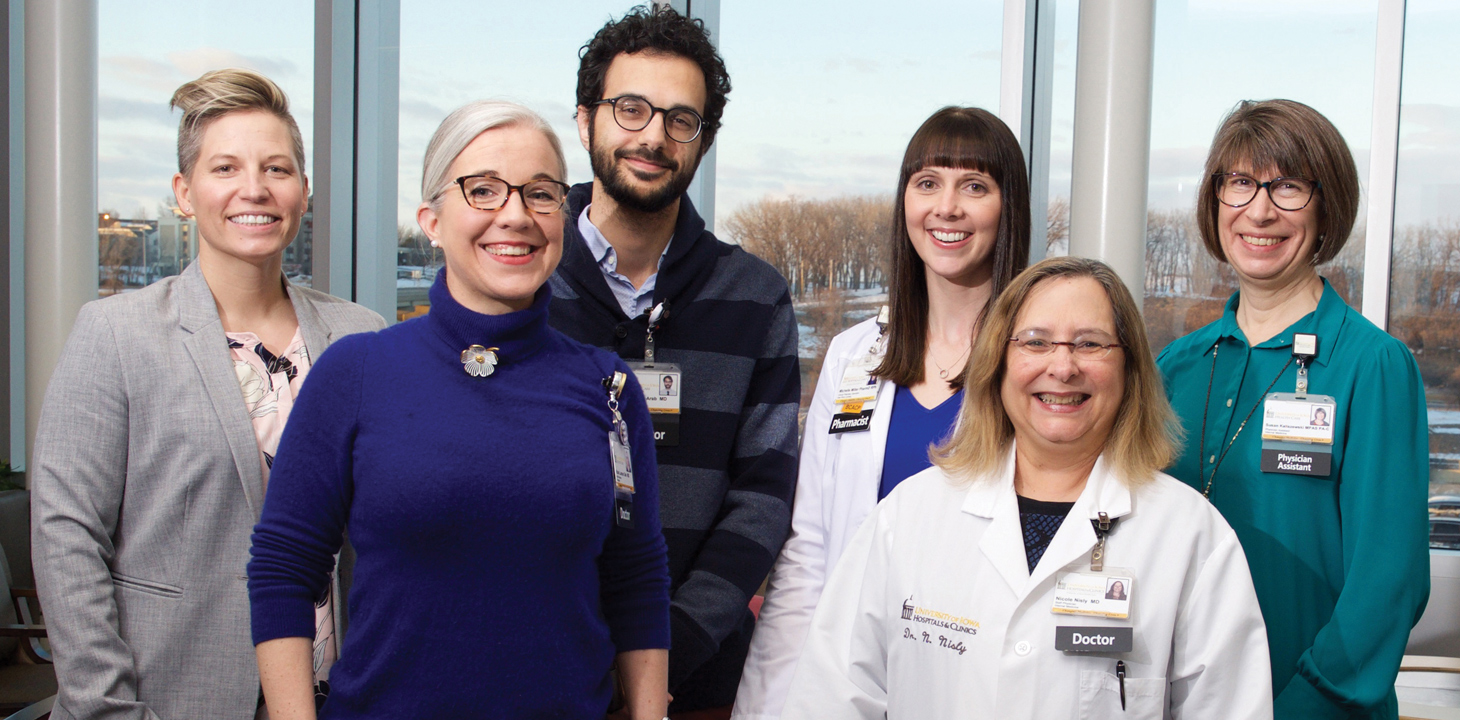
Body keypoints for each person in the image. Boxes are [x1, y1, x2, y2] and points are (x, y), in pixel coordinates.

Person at [248, 101, 671, 719]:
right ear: (433, 220)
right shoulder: (355, 373)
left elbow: (637, 580)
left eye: (541, 194)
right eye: (483, 191)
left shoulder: (607, 386)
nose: (516, 216)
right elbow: (286, 568)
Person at [29, 68, 384, 720]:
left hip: (337, 695)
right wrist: (105, 707)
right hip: (169, 695)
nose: (255, 188)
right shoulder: (115, 333)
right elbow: (67, 537)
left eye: (277, 169)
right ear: (183, 193)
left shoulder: (362, 337)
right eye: (225, 168)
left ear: (304, 191)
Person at [782, 257, 1272, 719]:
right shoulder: (908, 515)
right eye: (1035, 342)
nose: (1062, 368)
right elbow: (831, 699)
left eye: (1090, 343)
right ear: (998, 363)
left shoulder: (1190, 536)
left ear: (1130, 370)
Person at [734, 106, 1031, 720]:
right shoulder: (853, 355)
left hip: (981, 679)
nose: (946, 207)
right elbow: (810, 548)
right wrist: (773, 703)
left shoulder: (1037, 362)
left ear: (1009, 208)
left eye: (974, 186)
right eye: (927, 183)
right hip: (856, 680)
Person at [550, 7, 800, 714]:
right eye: (631, 109)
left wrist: (669, 652)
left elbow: (764, 500)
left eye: (681, 119)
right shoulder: (524, 286)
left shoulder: (755, 298)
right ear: (585, 120)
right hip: (533, 667)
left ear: (704, 140)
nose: (654, 136)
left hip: (694, 683)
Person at [1157, 99, 1429, 718]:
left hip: (1311, 704)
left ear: (1326, 203)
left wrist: (1301, 706)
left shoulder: (1372, 366)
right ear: (1215, 201)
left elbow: (1388, 586)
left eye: (1287, 186)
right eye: (1241, 182)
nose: (1260, 209)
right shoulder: (1176, 366)